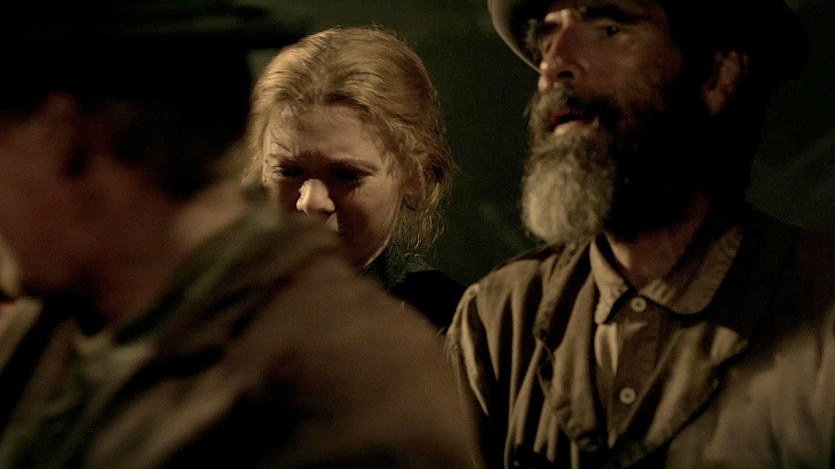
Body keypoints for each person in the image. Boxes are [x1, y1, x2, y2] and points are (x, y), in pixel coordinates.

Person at [0, 2, 480, 467]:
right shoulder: (49, 333)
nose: (311, 201)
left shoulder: (340, 391)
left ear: (60, 137)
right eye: (289, 169)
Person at [447, 0, 835, 467]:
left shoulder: (822, 305)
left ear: (717, 76)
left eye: (610, 29)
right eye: (546, 40)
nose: (554, 65)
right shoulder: (498, 320)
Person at [244, 27, 465, 330]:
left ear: (415, 175)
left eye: (347, 175)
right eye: (289, 172)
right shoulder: (208, 311)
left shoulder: (453, 325)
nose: (310, 202)